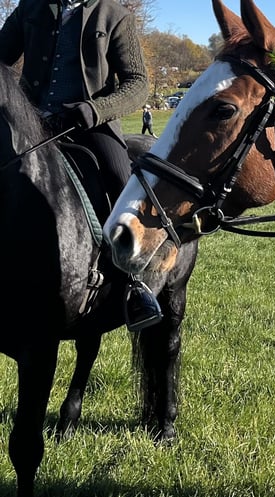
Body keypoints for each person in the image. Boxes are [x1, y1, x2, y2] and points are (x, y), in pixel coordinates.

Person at [0, 0, 162, 331]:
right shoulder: (30, 9)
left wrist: (95, 109)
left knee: (121, 183)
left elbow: (137, 84)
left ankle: (133, 285)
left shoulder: (115, 15)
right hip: (28, 121)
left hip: (89, 124)